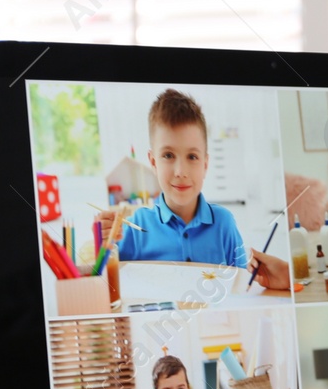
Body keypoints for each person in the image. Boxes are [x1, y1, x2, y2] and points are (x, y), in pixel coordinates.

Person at [99, 89, 248, 267]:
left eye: (192, 157)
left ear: (205, 164)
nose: (180, 172)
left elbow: (242, 288)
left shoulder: (224, 223)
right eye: (168, 155)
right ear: (153, 162)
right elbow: (106, 279)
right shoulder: (135, 228)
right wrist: (102, 244)